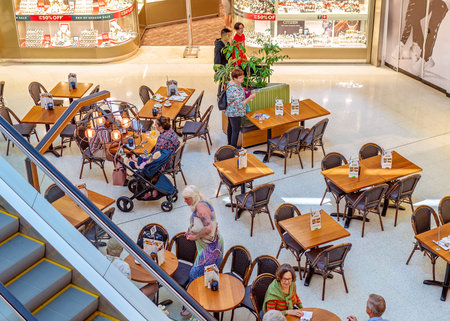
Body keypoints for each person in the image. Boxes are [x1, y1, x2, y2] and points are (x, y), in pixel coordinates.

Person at [180, 185, 224, 316]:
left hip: (211, 248)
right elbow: (198, 223)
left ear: (193, 198)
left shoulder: (200, 207)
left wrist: (195, 236)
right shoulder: (199, 203)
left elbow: (209, 228)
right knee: (203, 274)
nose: (185, 201)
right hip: (206, 246)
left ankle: (195, 306)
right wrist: (190, 230)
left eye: (186, 199)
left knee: (195, 274)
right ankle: (200, 302)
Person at [225, 68, 256, 147]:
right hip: (235, 112)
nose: (242, 79)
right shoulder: (234, 89)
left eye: (242, 76)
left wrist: (244, 93)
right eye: (240, 77)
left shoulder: (232, 83)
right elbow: (240, 105)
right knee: (235, 130)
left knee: (230, 128)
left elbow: (236, 96)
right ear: (235, 78)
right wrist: (250, 98)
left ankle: (230, 145)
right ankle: (233, 147)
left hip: (230, 110)